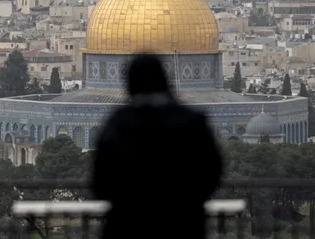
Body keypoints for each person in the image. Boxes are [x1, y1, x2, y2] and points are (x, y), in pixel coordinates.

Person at [92, 54, 223, 239]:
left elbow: (100, 181)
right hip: (182, 224)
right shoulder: (191, 120)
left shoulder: (118, 123)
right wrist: (187, 200)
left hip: (128, 225)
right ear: (164, 79)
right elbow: (212, 172)